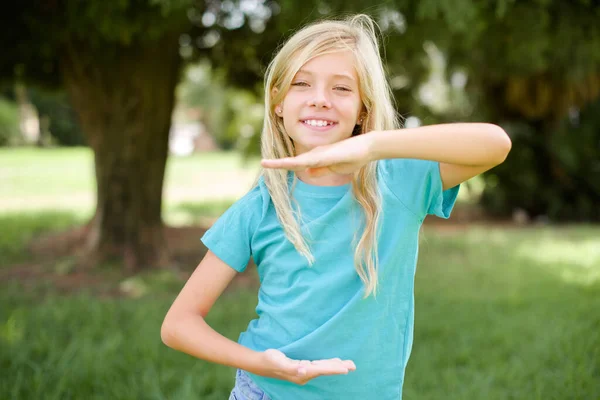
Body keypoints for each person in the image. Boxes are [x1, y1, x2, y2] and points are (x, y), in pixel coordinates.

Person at [161, 14, 511, 400]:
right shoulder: (260, 207)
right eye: (301, 83)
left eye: (342, 88)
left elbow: (496, 144)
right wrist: (262, 363)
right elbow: (178, 324)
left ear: (363, 109)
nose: (320, 98)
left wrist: (373, 146)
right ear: (278, 102)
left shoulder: (396, 181)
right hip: (268, 393)